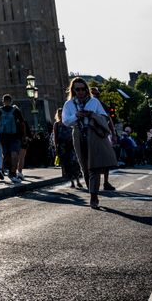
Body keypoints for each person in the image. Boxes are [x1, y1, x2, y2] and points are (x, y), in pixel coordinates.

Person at [62, 77, 118, 209]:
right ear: (73, 90)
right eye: (78, 89)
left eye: (83, 89)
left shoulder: (94, 102)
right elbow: (65, 121)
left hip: (93, 134)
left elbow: (104, 117)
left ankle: (93, 196)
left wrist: (92, 115)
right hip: (78, 134)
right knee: (84, 167)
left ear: (87, 89)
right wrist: (77, 115)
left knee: (94, 166)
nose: (81, 92)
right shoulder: (68, 105)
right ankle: (92, 190)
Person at [0, 95, 26, 183]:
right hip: (5, 136)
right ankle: (6, 170)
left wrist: (23, 136)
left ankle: (12, 173)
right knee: (8, 156)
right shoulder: (0, 111)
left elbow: (22, 123)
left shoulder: (15, 111)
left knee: (14, 155)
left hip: (13, 136)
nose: (7, 102)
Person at [90, 86, 116, 191]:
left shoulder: (102, 105)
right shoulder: (84, 104)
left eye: (97, 94)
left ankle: (105, 182)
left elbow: (109, 120)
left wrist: (113, 133)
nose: (95, 96)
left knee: (105, 158)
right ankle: (92, 183)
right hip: (90, 134)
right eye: (93, 94)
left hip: (102, 134)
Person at [53, 107, 83, 189]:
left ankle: (78, 181)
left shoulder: (69, 122)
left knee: (75, 163)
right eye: (59, 113)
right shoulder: (57, 124)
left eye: (61, 113)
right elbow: (55, 136)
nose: (60, 114)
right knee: (67, 165)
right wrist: (56, 147)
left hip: (72, 145)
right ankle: (72, 182)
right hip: (63, 146)